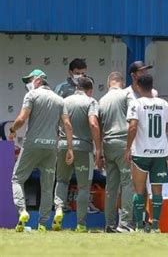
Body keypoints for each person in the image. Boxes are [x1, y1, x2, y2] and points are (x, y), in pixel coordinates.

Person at [9, 69, 74, 232]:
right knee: (47, 186)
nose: (28, 85)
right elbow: (67, 124)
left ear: (38, 80)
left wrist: (12, 129)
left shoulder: (31, 95)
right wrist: (70, 148)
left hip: (32, 145)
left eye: (29, 80)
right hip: (51, 147)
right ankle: (43, 224)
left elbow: (22, 119)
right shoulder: (60, 100)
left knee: (17, 179)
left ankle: (22, 211)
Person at [53, 76, 102, 232]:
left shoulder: (64, 101)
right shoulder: (91, 102)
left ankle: (59, 209)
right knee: (83, 187)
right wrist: (98, 148)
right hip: (83, 148)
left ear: (76, 88)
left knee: (61, 181)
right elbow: (93, 123)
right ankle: (81, 224)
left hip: (63, 146)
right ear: (90, 90)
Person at [125, 74, 168, 233]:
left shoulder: (136, 104)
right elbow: (165, 128)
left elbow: (132, 127)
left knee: (139, 190)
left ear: (137, 86)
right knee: (158, 191)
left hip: (141, 152)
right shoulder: (164, 104)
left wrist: (127, 148)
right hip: (159, 152)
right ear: (152, 85)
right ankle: (156, 226)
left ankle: (139, 225)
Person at [99, 72, 134, 233]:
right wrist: (130, 147)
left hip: (107, 145)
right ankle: (125, 223)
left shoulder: (102, 100)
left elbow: (98, 127)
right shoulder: (127, 94)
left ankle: (109, 224)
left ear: (109, 84)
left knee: (111, 187)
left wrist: (98, 150)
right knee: (127, 183)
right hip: (123, 143)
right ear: (121, 82)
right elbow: (134, 120)